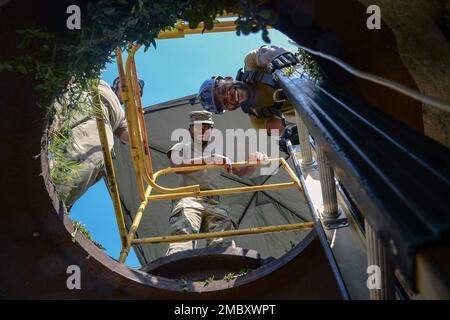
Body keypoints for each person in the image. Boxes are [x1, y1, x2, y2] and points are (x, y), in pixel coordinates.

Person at [165, 111, 268, 256]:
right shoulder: (181, 147)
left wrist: (252, 163)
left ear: (212, 131)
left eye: (206, 127)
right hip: (189, 198)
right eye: (197, 127)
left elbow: (241, 172)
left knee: (223, 241)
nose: (202, 130)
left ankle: (224, 270)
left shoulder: (217, 152)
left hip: (214, 202)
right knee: (183, 233)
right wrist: (209, 159)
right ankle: (177, 268)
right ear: (190, 130)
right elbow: (177, 166)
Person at [51, 78, 143, 209]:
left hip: (96, 129)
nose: (132, 90)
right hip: (76, 112)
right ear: (117, 82)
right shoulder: (101, 83)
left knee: (77, 172)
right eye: (130, 84)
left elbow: (132, 138)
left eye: (136, 92)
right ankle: (47, 201)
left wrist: (136, 112)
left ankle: (52, 203)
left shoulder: (121, 115)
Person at [198, 45, 299, 131]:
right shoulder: (257, 119)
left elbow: (266, 53)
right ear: (230, 108)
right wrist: (289, 134)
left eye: (223, 90)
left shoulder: (251, 63)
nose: (228, 96)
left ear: (229, 78)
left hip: (307, 73)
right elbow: (283, 131)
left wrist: (277, 57)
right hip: (311, 104)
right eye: (224, 102)